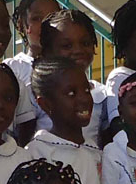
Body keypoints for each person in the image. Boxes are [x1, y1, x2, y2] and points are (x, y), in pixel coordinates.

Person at [31, 9, 112, 141]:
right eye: (67, 46)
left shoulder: (102, 94)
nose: (78, 50)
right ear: (47, 52)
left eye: (85, 43)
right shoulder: (36, 91)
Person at [7, 0, 60, 143]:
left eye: (52, 17)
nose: (45, 24)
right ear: (21, 24)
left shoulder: (67, 68)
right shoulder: (13, 68)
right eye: (36, 19)